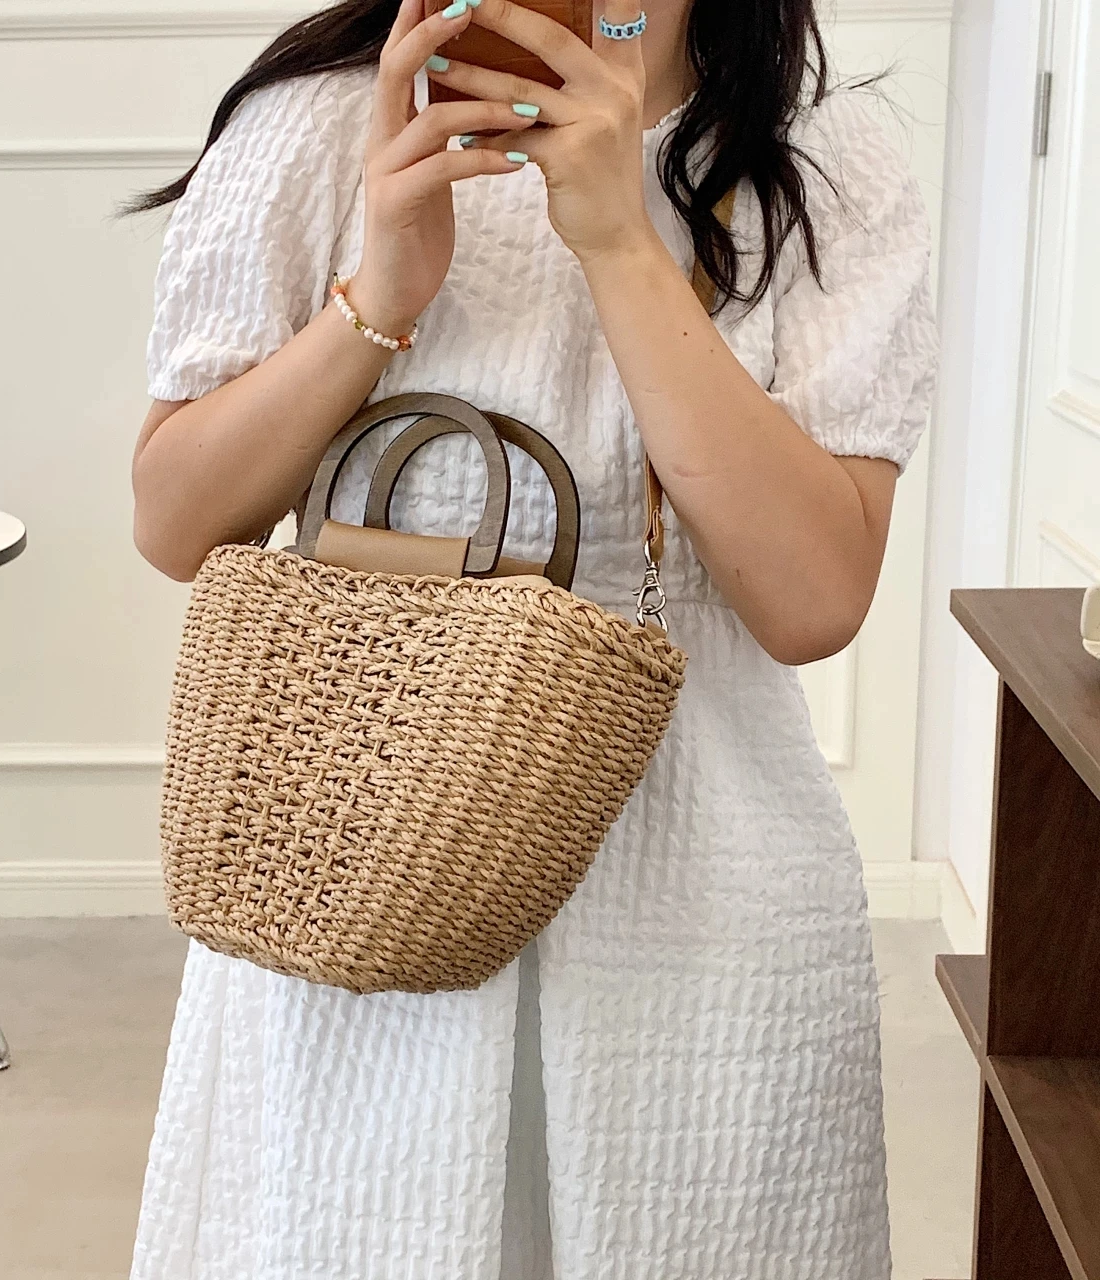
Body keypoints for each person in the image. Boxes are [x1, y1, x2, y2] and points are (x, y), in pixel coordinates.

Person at [128, 0, 939, 1273]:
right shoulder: (319, 124)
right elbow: (175, 521)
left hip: (694, 895)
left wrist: (618, 239)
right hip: (360, 859)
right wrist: (379, 294)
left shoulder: (819, 157)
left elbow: (812, 597)